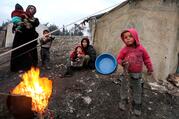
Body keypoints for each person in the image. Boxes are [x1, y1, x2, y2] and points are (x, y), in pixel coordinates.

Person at [117, 28, 153, 116]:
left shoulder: (141, 49)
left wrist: (150, 68)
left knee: (137, 89)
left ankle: (137, 104)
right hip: (126, 73)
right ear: (123, 39)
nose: (128, 38)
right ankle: (123, 99)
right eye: (125, 37)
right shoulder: (124, 49)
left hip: (137, 74)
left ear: (135, 37)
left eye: (130, 36)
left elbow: (147, 58)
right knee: (124, 87)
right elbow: (119, 58)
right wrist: (122, 62)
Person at [10, 5, 39, 73]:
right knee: (20, 52)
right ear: (28, 9)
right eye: (31, 8)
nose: (32, 10)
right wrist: (15, 27)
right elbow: (16, 24)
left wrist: (28, 19)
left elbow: (36, 23)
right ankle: (18, 68)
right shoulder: (22, 16)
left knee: (32, 53)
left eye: (34, 9)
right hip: (21, 38)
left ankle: (32, 67)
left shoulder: (35, 19)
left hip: (31, 39)